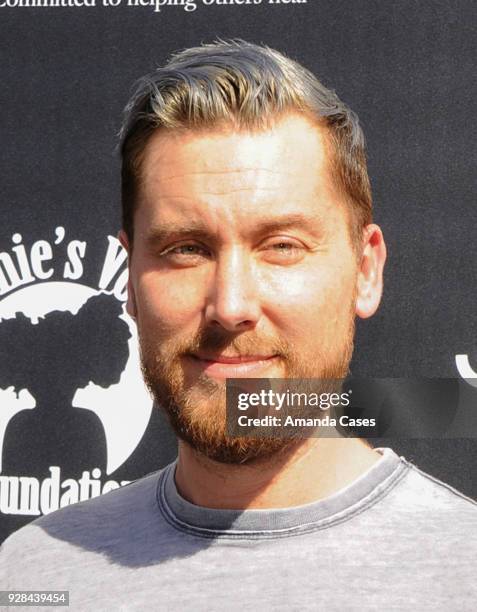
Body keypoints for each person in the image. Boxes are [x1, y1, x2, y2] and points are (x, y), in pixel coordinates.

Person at [0, 40, 475, 610]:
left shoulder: (462, 572)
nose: (230, 305)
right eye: (186, 249)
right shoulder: (32, 574)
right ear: (130, 278)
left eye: (281, 246)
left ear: (365, 271)